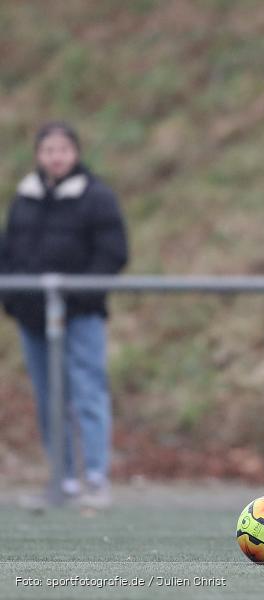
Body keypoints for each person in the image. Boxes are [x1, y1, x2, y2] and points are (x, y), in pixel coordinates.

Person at [2, 122, 128, 509]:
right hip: (33, 316)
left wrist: (77, 294)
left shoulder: (97, 197)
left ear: (75, 153)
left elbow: (112, 253)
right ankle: (63, 477)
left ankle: (94, 477)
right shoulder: (25, 199)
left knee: (87, 390)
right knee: (48, 396)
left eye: (62, 149)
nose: (55, 157)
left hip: (80, 314)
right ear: (39, 155)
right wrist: (14, 298)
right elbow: (8, 252)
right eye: (48, 150)